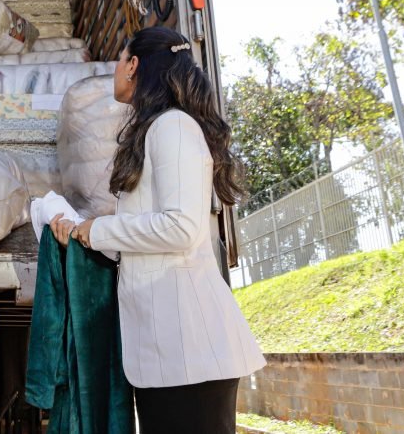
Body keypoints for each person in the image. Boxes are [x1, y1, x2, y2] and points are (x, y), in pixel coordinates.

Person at [50, 26, 265, 433]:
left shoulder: (174, 127)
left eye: (119, 59)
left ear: (134, 65)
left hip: (193, 353)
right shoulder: (158, 129)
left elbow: (180, 228)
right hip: (169, 354)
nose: (116, 69)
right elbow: (147, 234)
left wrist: (98, 230)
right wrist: (82, 233)